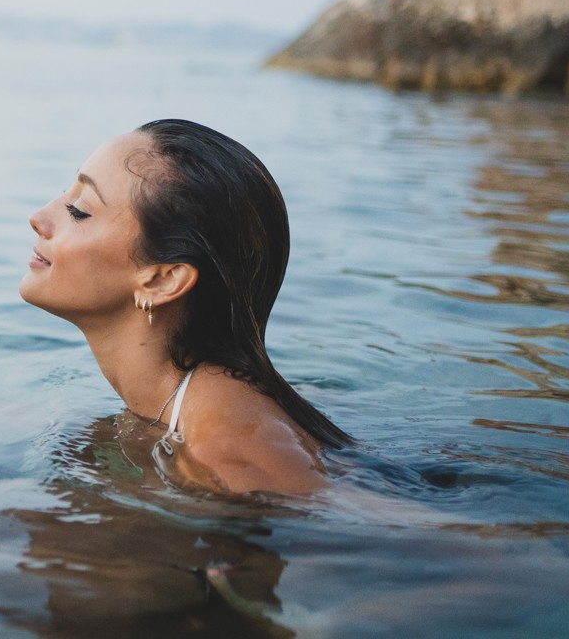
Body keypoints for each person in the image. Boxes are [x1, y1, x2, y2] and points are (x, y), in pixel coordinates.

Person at [20, 119, 351, 495]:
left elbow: (383, 534)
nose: (39, 217)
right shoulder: (197, 406)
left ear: (163, 280)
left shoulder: (226, 456)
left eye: (78, 210)